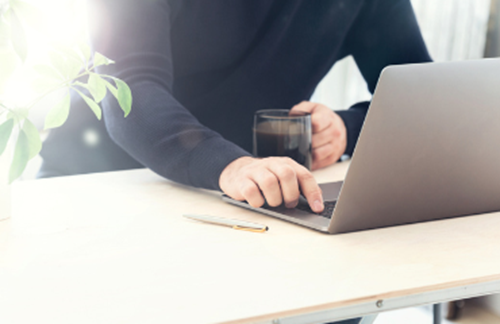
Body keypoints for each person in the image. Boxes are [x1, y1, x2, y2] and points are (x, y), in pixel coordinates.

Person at [38, 1, 431, 322]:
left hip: (233, 198)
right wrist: (233, 165)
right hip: (95, 184)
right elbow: (131, 90)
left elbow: (420, 92)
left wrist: (346, 127)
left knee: (339, 298)